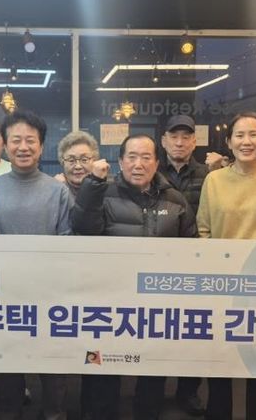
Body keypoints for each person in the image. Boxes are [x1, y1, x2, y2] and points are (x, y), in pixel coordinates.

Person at [72, 133, 197, 420]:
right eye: (131, 157)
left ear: (157, 163)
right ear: (120, 161)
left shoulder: (175, 200)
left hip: (157, 303)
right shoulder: (103, 193)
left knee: (152, 372)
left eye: (146, 157)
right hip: (109, 300)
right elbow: (83, 229)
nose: (138, 164)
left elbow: (191, 249)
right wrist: (93, 184)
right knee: (104, 370)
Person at [196, 111, 256, 420]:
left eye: (254, 134)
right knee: (219, 363)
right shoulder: (213, 180)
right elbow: (203, 230)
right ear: (228, 142)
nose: (246, 141)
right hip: (221, 282)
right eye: (239, 135)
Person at [0, 110, 71, 420]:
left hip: (50, 294)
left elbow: (67, 241)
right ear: (5, 146)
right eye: (16, 140)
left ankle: (54, 414)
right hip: (7, 294)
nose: (23, 147)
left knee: (53, 366)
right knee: (10, 366)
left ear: (41, 147)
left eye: (31, 140)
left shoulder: (58, 191)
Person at [158, 115, 208, 416]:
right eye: (174, 136)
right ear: (163, 140)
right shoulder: (152, 170)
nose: (179, 142)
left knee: (192, 331)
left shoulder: (209, 174)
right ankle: (154, 388)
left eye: (186, 137)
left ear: (194, 141)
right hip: (158, 263)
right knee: (158, 328)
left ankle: (188, 392)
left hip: (195, 263)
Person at [55, 130, 99, 197]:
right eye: (71, 160)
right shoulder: (54, 190)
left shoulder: (105, 191)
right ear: (62, 162)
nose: (78, 166)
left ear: (94, 160)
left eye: (84, 159)